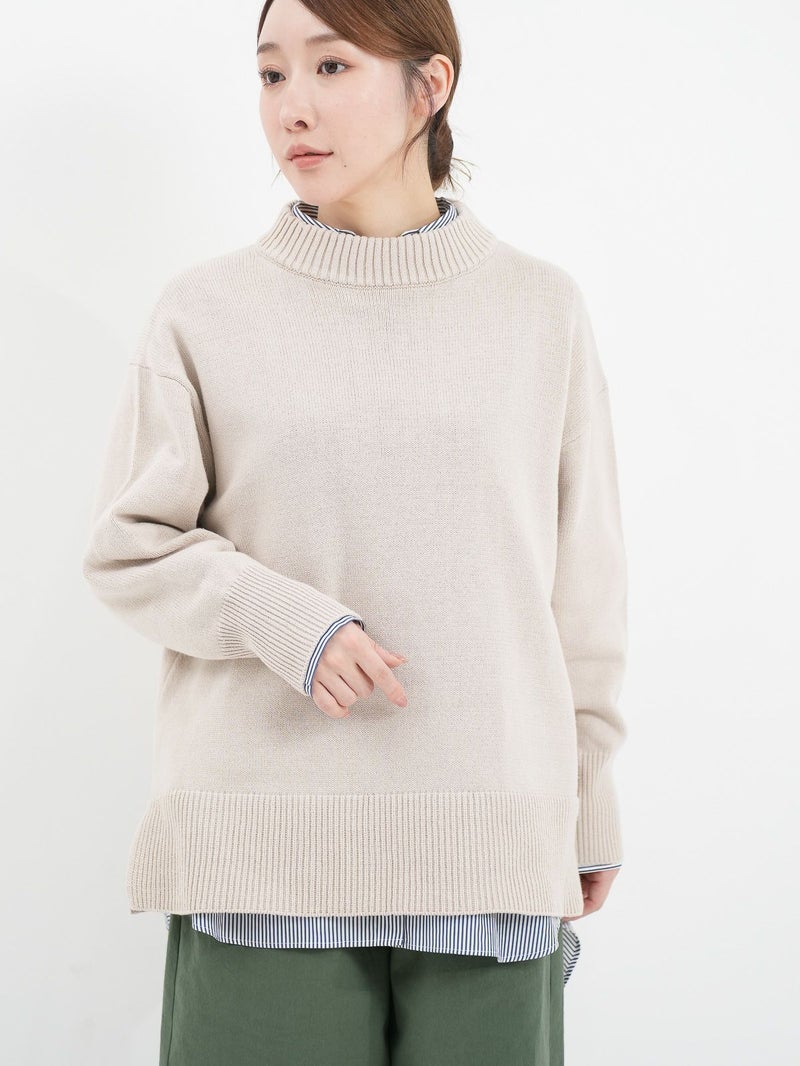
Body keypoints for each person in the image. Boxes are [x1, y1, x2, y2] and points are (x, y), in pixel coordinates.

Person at [81, 0, 629, 1062]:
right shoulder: (205, 311)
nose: (292, 107)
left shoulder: (538, 310)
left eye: (330, 66)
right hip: (263, 856)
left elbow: (584, 586)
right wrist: (282, 617)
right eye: (271, 74)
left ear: (431, 86)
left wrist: (589, 801)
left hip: (489, 841)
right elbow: (127, 543)